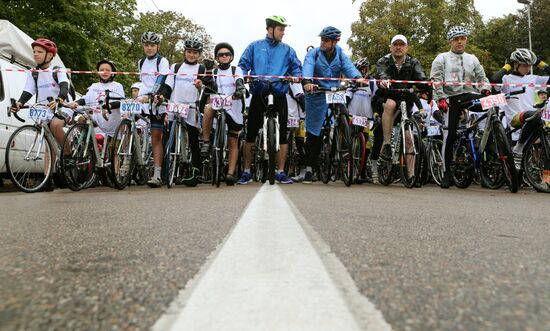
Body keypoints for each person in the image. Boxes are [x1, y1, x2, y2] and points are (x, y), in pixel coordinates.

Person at [237, 15, 302, 184]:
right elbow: (242, 65)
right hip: (259, 93)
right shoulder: (255, 46)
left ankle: (280, 171)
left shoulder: (288, 49)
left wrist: (296, 77)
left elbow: (296, 67)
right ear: (270, 29)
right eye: (281, 29)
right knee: (250, 133)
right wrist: (244, 77)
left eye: (284, 30)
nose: (283, 33)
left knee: (283, 135)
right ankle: (246, 171)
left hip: (279, 94)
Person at [296, 26, 365, 184]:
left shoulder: (340, 53)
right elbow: (307, 67)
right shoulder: (313, 53)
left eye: (326, 40)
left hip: (335, 91)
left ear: (335, 41)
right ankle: (308, 168)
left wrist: (357, 77)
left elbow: (349, 67)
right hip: (317, 92)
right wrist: (307, 81)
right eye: (322, 39)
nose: (323, 42)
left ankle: (343, 139)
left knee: (343, 113)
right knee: (315, 131)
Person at [431, 26, 491, 188]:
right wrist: (440, 99)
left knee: (496, 104)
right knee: (449, 135)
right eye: (456, 39)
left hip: (471, 95)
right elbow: (436, 80)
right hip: (452, 98)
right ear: (450, 41)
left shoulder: (472, 58)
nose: (459, 42)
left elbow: (482, 77)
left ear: (466, 40)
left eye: (462, 38)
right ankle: (446, 173)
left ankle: (493, 156)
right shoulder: (441, 58)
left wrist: (485, 88)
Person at [10, 38, 73, 190]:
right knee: (47, 144)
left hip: (62, 106)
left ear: (50, 55)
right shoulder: (34, 73)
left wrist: (60, 99)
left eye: (40, 52)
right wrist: (19, 103)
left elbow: (64, 86)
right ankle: (47, 178)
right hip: (45, 109)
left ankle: (68, 154)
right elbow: (28, 91)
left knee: (55, 124)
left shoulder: (57, 70)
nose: (35, 55)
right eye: (34, 52)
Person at [165, 37, 213, 187]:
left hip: (191, 107)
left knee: (193, 140)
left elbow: (208, 88)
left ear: (199, 54)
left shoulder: (201, 69)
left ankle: (195, 172)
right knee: (170, 139)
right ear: (185, 52)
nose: (191, 55)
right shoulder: (176, 67)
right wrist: (162, 96)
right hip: (175, 105)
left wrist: (200, 86)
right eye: (189, 52)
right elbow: (167, 85)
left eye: (195, 52)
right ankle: (170, 170)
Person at [375, 34, 427, 162]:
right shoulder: (383, 61)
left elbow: (421, 77)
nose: (398, 47)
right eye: (395, 45)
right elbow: (382, 73)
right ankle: (387, 144)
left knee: (409, 139)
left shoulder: (414, 62)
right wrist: (384, 81)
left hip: (405, 99)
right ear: (390, 47)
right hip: (387, 96)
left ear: (406, 48)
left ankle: (411, 175)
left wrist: (429, 83)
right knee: (390, 104)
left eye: (401, 45)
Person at [201, 42, 247, 185]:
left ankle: (230, 173)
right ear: (217, 58)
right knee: (208, 108)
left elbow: (240, 81)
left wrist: (240, 90)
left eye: (227, 54)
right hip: (217, 104)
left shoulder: (235, 69)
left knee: (233, 141)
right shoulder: (214, 71)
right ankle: (207, 142)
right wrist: (208, 72)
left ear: (231, 57)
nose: (224, 56)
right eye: (221, 55)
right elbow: (209, 86)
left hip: (233, 107)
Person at [491, 48, 550, 157]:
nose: (528, 68)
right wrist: (507, 66)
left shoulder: (534, 78)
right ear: (516, 64)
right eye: (525, 65)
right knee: (534, 115)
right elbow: (494, 79)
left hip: (532, 120)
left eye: (530, 65)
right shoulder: (506, 79)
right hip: (515, 119)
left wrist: (538, 62)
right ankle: (518, 149)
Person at [136, 32, 170, 188]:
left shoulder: (162, 61)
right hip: (143, 100)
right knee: (131, 126)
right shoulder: (141, 62)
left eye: (152, 45)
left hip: (156, 100)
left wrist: (153, 95)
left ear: (157, 46)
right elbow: (142, 81)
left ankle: (157, 174)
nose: (149, 48)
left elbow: (161, 79)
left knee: (156, 137)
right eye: (146, 45)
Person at [67, 59, 125, 151]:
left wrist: (108, 106)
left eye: (107, 70)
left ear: (113, 73)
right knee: (81, 119)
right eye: (102, 70)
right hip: (96, 121)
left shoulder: (117, 86)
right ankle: (86, 145)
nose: (104, 72)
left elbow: (120, 102)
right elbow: (85, 99)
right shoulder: (94, 86)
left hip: (110, 123)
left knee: (113, 152)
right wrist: (75, 103)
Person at [345, 57, 380, 183]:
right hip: (352, 117)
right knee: (349, 145)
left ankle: (363, 173)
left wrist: (376, 113)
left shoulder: (372, 82)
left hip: (367, 118)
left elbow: (377, 98)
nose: (362, 72)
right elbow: (347, 97)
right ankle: (347, 170)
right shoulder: (353, 81)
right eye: (359, 69)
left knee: (366, 147)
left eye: (364, 69)